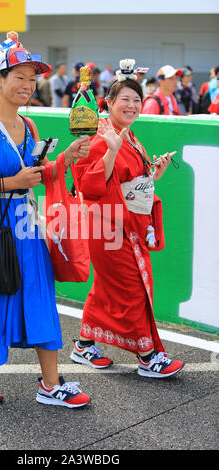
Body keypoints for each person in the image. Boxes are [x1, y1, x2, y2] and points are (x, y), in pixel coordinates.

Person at [0, 32, 91, 407]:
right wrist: (11, 182)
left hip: (26, 224)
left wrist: (66, 159)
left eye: (32, 79)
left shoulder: (29, 127)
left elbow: (40, 174)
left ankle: (51, 384)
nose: (27, 85)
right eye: (19, 77)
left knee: (40, 297)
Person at [70, 61, 185, 378]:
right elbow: (90, 185)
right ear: (108, 103)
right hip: (109, 228)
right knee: (131, 288)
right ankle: (147, 356)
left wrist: (154, 173)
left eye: (137, 99)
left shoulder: (128, 136)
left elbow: (133, 183)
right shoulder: (101, 137)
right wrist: (110, 151)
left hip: (125, 225)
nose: (133, 105)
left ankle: (83, 345)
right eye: (126, 100)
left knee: (107, 289)